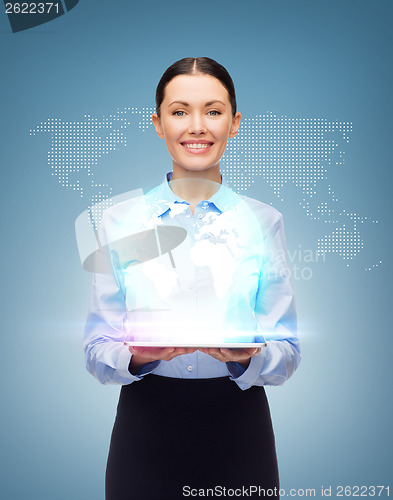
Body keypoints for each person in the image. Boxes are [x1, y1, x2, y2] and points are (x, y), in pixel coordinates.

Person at [84, 57, 301, 500]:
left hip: (240, 428)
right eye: (180, 111)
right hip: (145, 430)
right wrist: (138, 357)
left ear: (234, 123)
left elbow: (288, 349)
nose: (197, 126)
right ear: (158, 123)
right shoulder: (121, 221)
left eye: (214, 111)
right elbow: (95, 348)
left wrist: (246, 358)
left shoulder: (264, 221)